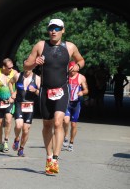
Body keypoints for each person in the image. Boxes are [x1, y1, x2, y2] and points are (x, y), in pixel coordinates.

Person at [23, 19, 85, 175]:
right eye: (51, 28)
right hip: (45, 90)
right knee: (47, 125)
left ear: (63, 30)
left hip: (62, 90)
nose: (54, 31)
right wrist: (34, 63)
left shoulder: (69, 47)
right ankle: (49, 156)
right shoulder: (40, 46)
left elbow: (81, 60)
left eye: (57, 28)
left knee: (59, 122)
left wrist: (77, 66)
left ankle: (55, 159)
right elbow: (26, 65)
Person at [8, 63, 40, 157]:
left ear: (33, 67)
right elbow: (10, 82)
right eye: (25, 67)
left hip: (30, 105)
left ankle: (21, 148)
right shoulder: (18, 75)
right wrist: (12, 92)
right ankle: (17, 139)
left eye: (29, 67)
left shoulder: (37, 78)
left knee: (26, 130)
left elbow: (41, 93)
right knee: (18, 125)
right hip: (19, 103)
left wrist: (35, 90)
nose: (27, 69)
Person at [63, 61, 88, 152]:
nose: (72, 72)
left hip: (76, 103)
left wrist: (82, 92)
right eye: (70, 70)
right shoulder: (65, 76)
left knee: (73, 124)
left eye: (74, 70)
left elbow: (86, 90)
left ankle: (71, 142)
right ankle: (65, 136)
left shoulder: (81, 78)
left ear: (77, 69)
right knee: (65, 121)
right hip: (67, 102)